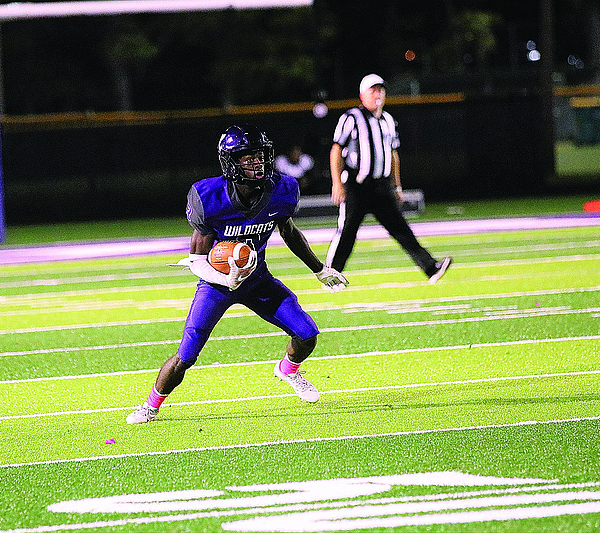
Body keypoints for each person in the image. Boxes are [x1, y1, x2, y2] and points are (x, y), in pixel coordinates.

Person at [127, 124, 349, 424]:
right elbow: (195, 259)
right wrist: (224, 279)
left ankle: (287, 370)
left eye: (260, 156)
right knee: (186, 356)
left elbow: (290, 233)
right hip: (216, 284)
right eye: (247, 158)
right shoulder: (210, 197)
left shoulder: (281, 191)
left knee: (307, 334)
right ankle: (150, 406)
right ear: (231, 163)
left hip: (257, 280)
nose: (257, 162)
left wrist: (319, 269)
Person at [326, 73, 452, 283]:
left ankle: (430, 268)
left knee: (401, 228)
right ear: (362, 95)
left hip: (381, 186)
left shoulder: (388, 120)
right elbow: (336, 150)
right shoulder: (351, 118)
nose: (378, 94)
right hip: (357, 185)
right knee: (347, 231)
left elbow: (393, 155)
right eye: (373, 90)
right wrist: (337, 183)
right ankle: (331, 274)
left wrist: (397, 185)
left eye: (381, 90)